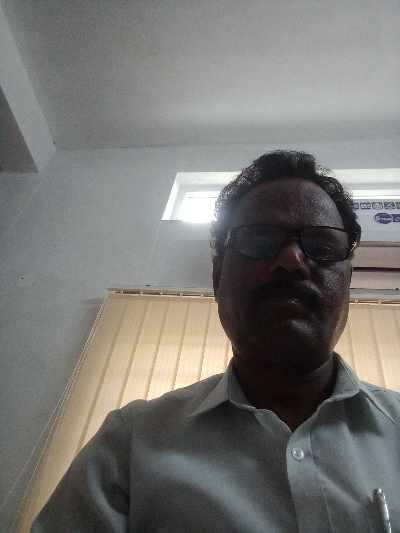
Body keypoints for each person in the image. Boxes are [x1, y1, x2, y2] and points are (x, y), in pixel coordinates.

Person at [32, 150, 400, 532]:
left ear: (348, 280)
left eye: (322, 246)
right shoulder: (131, 442)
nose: (291, 260)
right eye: (260, 239)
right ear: (217, 277)